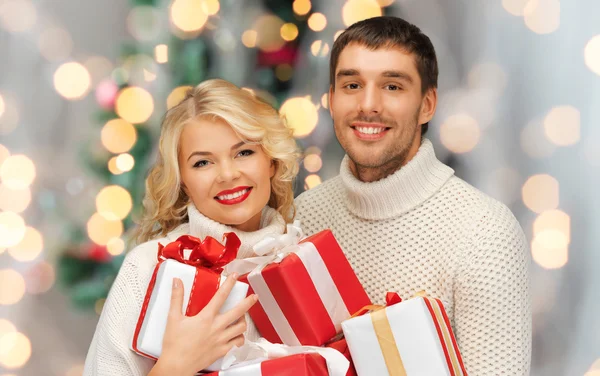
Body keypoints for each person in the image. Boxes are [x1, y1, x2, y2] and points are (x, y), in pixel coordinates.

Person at [295, 16, 531, 375]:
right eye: (352, 84)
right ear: (331, 99)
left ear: (427, 105)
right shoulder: (300, 218)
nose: (368, 104)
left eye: (392, 86)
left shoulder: (485, 233)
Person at [84, 79, 300, 376]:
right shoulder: (148, 266)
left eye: (244, 152)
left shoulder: (300, 259)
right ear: (182, 180)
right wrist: (175, 367)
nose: (227, 174)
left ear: (271, 161)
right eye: (202, 163)